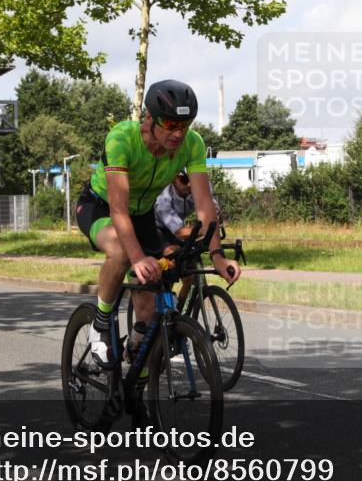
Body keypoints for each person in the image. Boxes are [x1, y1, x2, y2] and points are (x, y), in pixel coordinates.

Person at [76, 79, 240, 367]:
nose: (178, 133)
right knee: (121, 252)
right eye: (170, 124)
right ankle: (100, 323)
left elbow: (204, 204)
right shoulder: (121, 137)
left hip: (142, 214)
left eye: (185, 124)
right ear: (149, 117)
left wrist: (217, 256)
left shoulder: (192, 144)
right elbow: (118, 208)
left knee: (151, 303)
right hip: (100, 206)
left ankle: (139, 352)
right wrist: (137, 257)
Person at [155, 169, 219, 308]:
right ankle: (163, 305)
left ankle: (178, 313)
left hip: (177, 228)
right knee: (172, 257)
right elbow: (179, 232)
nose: (190, 184)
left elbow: (212, 211)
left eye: (192, 178)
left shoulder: (198, 187)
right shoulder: (163, 198)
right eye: (184, 179)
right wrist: (203, 230)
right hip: (157, 228)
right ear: (174, 179)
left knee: (189, 277)